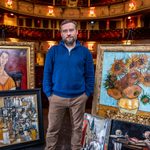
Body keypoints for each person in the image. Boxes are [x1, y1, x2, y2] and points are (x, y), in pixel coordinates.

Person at [43, 19, 95, 150]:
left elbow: (90, 75)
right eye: (65, 31)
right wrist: (49, 94)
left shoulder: (85, 52)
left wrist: (86, 94)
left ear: (77, 32)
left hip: (79, 98)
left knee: (77, 129)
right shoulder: (53, 51)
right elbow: (47, 74)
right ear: (61, 34)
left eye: (71, 30)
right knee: (52, 129)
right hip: (57, 97)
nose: (68, 33)